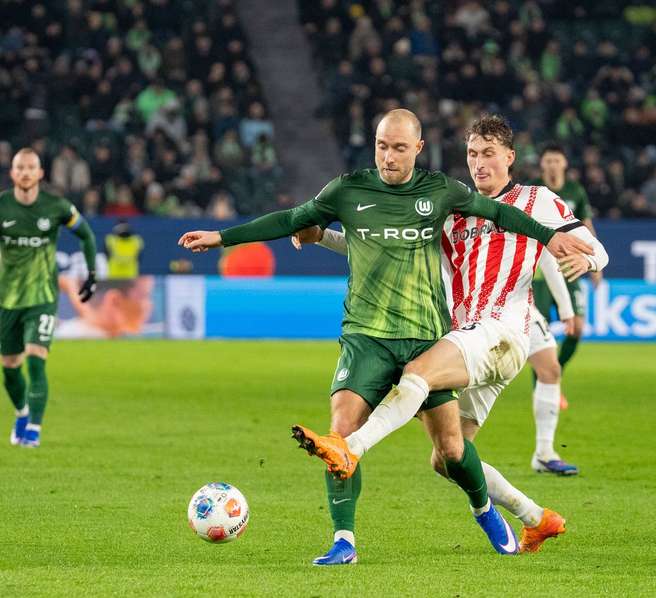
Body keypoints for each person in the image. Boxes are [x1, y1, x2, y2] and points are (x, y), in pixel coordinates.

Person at [177, 109, 594, 565]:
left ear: (418, 149)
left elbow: (500, 212)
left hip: (428, 336)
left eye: (398, 148)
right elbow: (302, 221)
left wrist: (552, 239)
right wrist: (226, 237)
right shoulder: (348, 189)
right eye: (381, 146)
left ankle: (488, 511)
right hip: (367, 336)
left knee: (451, 451)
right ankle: (344, 541)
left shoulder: (443, 193)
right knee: (349, 431)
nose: (388, 156)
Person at [291, 114, 608, 550]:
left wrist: (587, 261)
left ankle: (352, 447)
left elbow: (598, 249)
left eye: (489, 154)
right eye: (473, 154)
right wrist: (322, 236)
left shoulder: (537, 200)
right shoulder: (456, 209)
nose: (479, 163)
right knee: (448, 456)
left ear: (509, 157)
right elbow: (382, 243)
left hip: (502, 333)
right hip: (468, 338)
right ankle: (537, 517)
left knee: (417, 372)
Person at [1, 148, 97, 447]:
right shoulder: (2, 206)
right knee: (9, 368)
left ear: (40, 173)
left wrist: (92, 273)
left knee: (36, 360)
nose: (25, 172)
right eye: (20, 168)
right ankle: (22, 412)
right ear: (12, 173)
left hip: (42, 296)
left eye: (31, 167)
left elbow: (87, 235)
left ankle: (34, 429)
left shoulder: (56, 206)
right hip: (7, 300)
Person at [530, 144, 599, 409]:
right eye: (548, 161)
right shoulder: (534, 190)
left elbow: (586, 226)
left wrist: (596, 264)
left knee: (577, 328)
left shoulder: (575, 191)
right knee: (541, 334)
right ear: (542, 164)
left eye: (556, 160)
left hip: (570, 266)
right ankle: (543, 388)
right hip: (540, 272)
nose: (552, 165)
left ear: (564, 163)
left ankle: (554, 375)